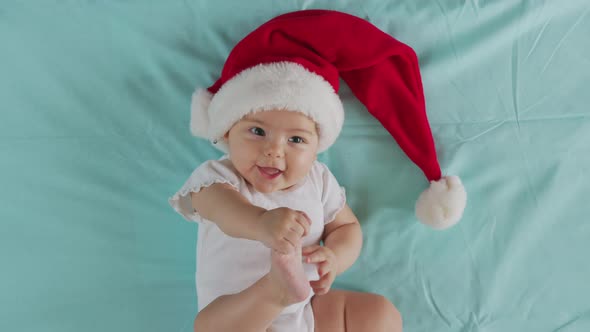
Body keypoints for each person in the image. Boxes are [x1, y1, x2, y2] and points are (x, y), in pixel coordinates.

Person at [169, 9, 466, 332]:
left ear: (317, 146)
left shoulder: (318, 180)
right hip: (242, 315)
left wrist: (335, 257)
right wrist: (261, 223)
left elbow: (347, 228)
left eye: (296, 139)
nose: (274, 150)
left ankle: (284, 291)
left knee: (381, 315)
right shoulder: (218, 177)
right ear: (227, 132)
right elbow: (221, 208)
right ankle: (273, 291)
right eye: (257, 132)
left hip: (306, 315)